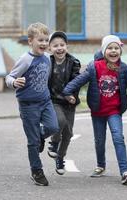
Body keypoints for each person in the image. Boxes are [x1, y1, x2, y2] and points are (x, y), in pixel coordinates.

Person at [62, 35, 127, 185]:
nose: (113, 51)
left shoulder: (122, 68)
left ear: (120, 51)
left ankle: (125, 171)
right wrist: (67, 91)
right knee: (99, 140)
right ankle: (101, 166)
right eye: (110, 48)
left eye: (116, 48)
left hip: (114, 110)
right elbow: (79, 80)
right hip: (97, 110)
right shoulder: (94, 67)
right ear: (104, 51)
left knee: (118, 137)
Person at [5, 22, 59, 186]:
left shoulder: (47, 59)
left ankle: (40, 136)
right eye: (40, 40)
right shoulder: (25, 59)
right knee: (33, 141)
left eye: (45, 40)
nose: (44, 44)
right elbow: (9, 77)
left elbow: (45, 79)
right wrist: (15, 83)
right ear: (30, 41)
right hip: (28, 105)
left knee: (53, 127)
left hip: (45, 101)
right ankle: (37, 171)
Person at [47, 31, 81, 175]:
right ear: (50, 48)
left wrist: (71, 95)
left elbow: (76, 81)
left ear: (67, 46)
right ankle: (54, 143)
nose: (59, 48)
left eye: (62, 45)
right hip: (54, 101)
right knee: (59, 121)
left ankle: (60, 158)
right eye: (55, 46)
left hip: (69, 102)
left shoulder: (74, 62)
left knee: (68, 134)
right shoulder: (47, 62)